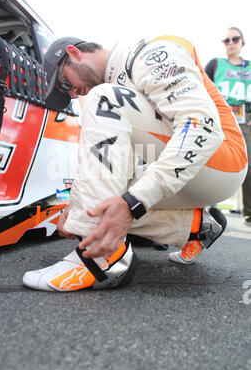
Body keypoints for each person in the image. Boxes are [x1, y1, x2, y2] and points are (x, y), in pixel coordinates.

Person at [22, 35, 248, 292]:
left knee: (103, 98)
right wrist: (76, 206)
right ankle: (194, 227)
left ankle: (99, 259)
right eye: (68, 94)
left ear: (74, 53)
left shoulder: (149, 53)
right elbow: (115, 167)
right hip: (197, 171)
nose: (73, 93)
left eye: (65, 84)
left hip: (223, 160)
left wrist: (133, 203)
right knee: (82, 204)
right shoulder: (118, 85)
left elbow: (203, 129)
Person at [205, 27, 251, 225]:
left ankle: (249, 213)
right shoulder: (215, 64)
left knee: (248, 165)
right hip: (219, 116)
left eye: (235, 38)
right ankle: (206, 209)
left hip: (245, 118)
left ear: (242, 42)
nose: (230, 42)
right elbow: (202, 87)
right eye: (226, 39)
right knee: (212, 160)